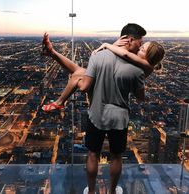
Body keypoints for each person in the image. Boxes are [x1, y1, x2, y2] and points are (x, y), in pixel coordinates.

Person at [41, 23, 165, 194]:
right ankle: (112, 191)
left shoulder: (98, 56)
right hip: (119, 118)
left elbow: (80, 76)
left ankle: (91, 191)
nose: (140, 45)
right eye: (140, 42)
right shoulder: (137, 70)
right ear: (130, 40)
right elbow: (140, 97)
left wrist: (55, 55)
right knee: (116, 157)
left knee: (93, 154)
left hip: (97, 114)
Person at [42, 34, 165, 112]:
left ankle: (59, 102)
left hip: (108, 91)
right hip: (108, 85)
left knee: (77, 76)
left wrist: (107, 45)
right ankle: (52, 52)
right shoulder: (142, 64)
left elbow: (125, 54)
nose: (139, 48)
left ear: (149, 56)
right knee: (78, 70)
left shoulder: (147, 65)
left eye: (142, 49)